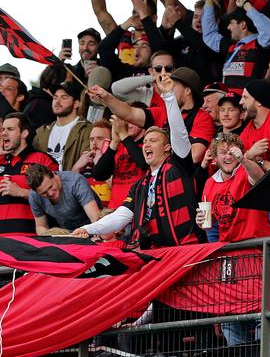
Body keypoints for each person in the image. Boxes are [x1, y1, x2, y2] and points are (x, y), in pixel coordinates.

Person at [73, 73, 206, 248]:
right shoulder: (139, 186)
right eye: (145, 141)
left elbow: (179, 133)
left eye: (153, 141)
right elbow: (120, 217)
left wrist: (169, 97)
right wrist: (88, 228)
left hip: (186, 249)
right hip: (156, 254)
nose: (146, 145)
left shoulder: (179, 166)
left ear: (168, 147)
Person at [194, 132, 267, 347]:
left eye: (232, 152)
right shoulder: (209, 184)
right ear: (214, 158)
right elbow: (210, 222)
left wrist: (244, 159)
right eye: (223, 152)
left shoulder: (245, 171)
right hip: (229, 256)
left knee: (261, 309)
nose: (228, 157)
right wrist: (201, 221)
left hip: (255, 250)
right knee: (229, 313)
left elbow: (260, 178)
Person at [88, 67, 215, 165]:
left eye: (173, 85)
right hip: (159, 179)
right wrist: (106, 96)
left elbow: (194, 155)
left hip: (182, 184)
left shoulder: (202, 117)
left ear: (187, 90)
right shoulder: (161, 112)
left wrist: (160, 153)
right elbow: (128, 113)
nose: (167, 88)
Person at [0, 112, 58, 235]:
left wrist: (21, 192)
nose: (4, 133)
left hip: (33, 237)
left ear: (24, 133)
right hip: (0, 238)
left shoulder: (42, 159)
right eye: (3, 129)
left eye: (10, 129)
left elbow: (57, 197)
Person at [202, 0, 270, 89]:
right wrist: (209, 2)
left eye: (231, 23)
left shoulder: (260, 44)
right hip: (229, 102)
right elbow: (209, 35)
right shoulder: (231, 46)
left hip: (250, 102)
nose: (228, 27)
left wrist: (247, 6)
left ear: (243, 25)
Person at [91, 113, 148, 210]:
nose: (128, 124)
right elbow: (99, 175)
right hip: (114, 209)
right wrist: (114, 142)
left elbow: (144, 164)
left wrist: (123, 134)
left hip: (138, 209)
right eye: (126, 120)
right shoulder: (118, 146)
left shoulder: (148, 145)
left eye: (133, 120)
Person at [33, 80, 92, 171]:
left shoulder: (86, 130)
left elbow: (87, 164)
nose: (57, 101)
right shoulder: (42, 132)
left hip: (72, 183)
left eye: (64, 97)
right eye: (55, 98)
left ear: (76, 103)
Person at [26, 164, 101, 234]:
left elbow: (94, 217)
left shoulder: (76, 182)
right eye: (44, 193)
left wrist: (96, 236)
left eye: (50, 187)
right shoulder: (34, 196)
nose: (50, 193)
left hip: (91, 229)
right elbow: (41, 226)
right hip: (66, 235)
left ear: (53, 174)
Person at [71, 119, 113, 206]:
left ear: (111, 142)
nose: (94, 143)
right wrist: (75, 169)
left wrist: (100, 164)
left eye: (100, 139)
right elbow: (70, 197)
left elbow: (120, 189)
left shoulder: (117, 161)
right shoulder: (84, 163)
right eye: (91, 139)